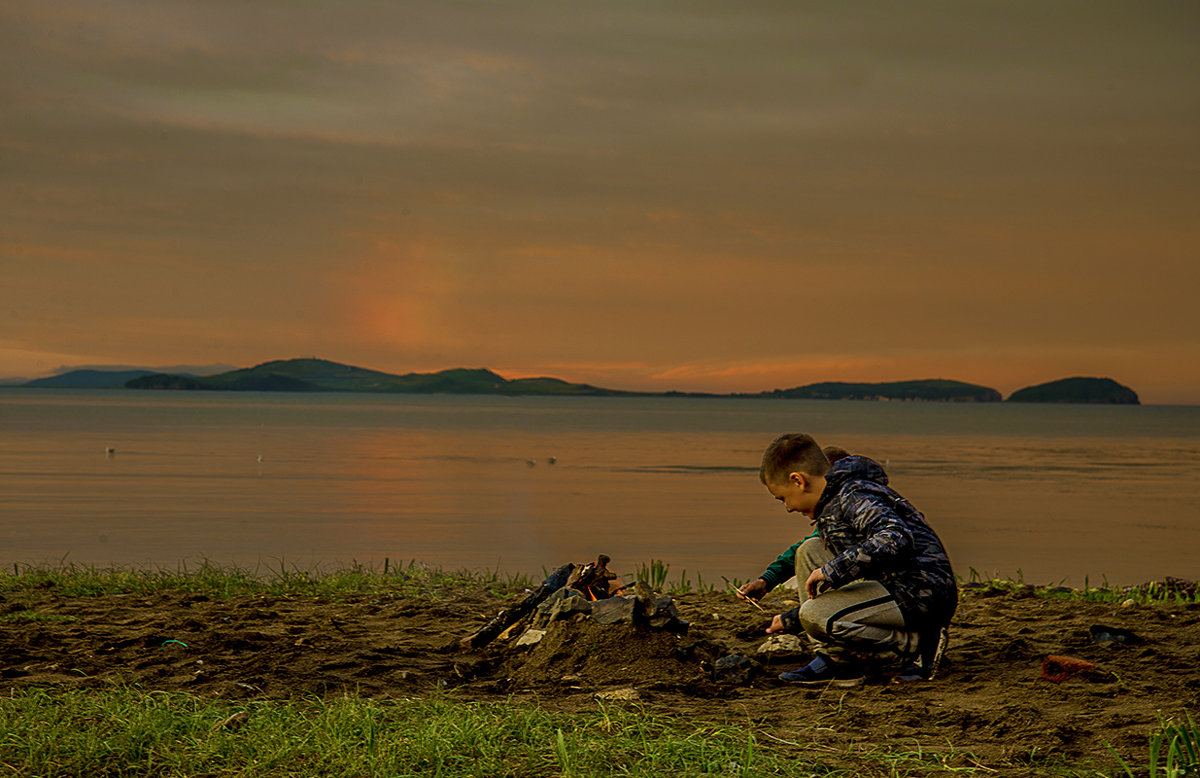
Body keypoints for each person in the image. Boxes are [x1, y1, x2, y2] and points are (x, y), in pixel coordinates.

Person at [758, 433, 957, 686]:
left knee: (814, 614)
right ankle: (836, 658)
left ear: (798, 481)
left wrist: (831, 571)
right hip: (892, 585)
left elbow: (895, 537)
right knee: (810, 550)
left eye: (783, 498)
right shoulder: (833, 501)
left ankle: (915, 644)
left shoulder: (853, 495)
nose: (788, 508)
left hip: (920, 592)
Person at [735, 446, 850, 605]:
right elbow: (805, 546)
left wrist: (792, 619)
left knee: (809, 550)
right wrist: (766, 581)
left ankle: (811, 613)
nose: (789, 508)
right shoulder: (837, 510)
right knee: (809, 548)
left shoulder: (856, 506)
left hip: (885, 594)